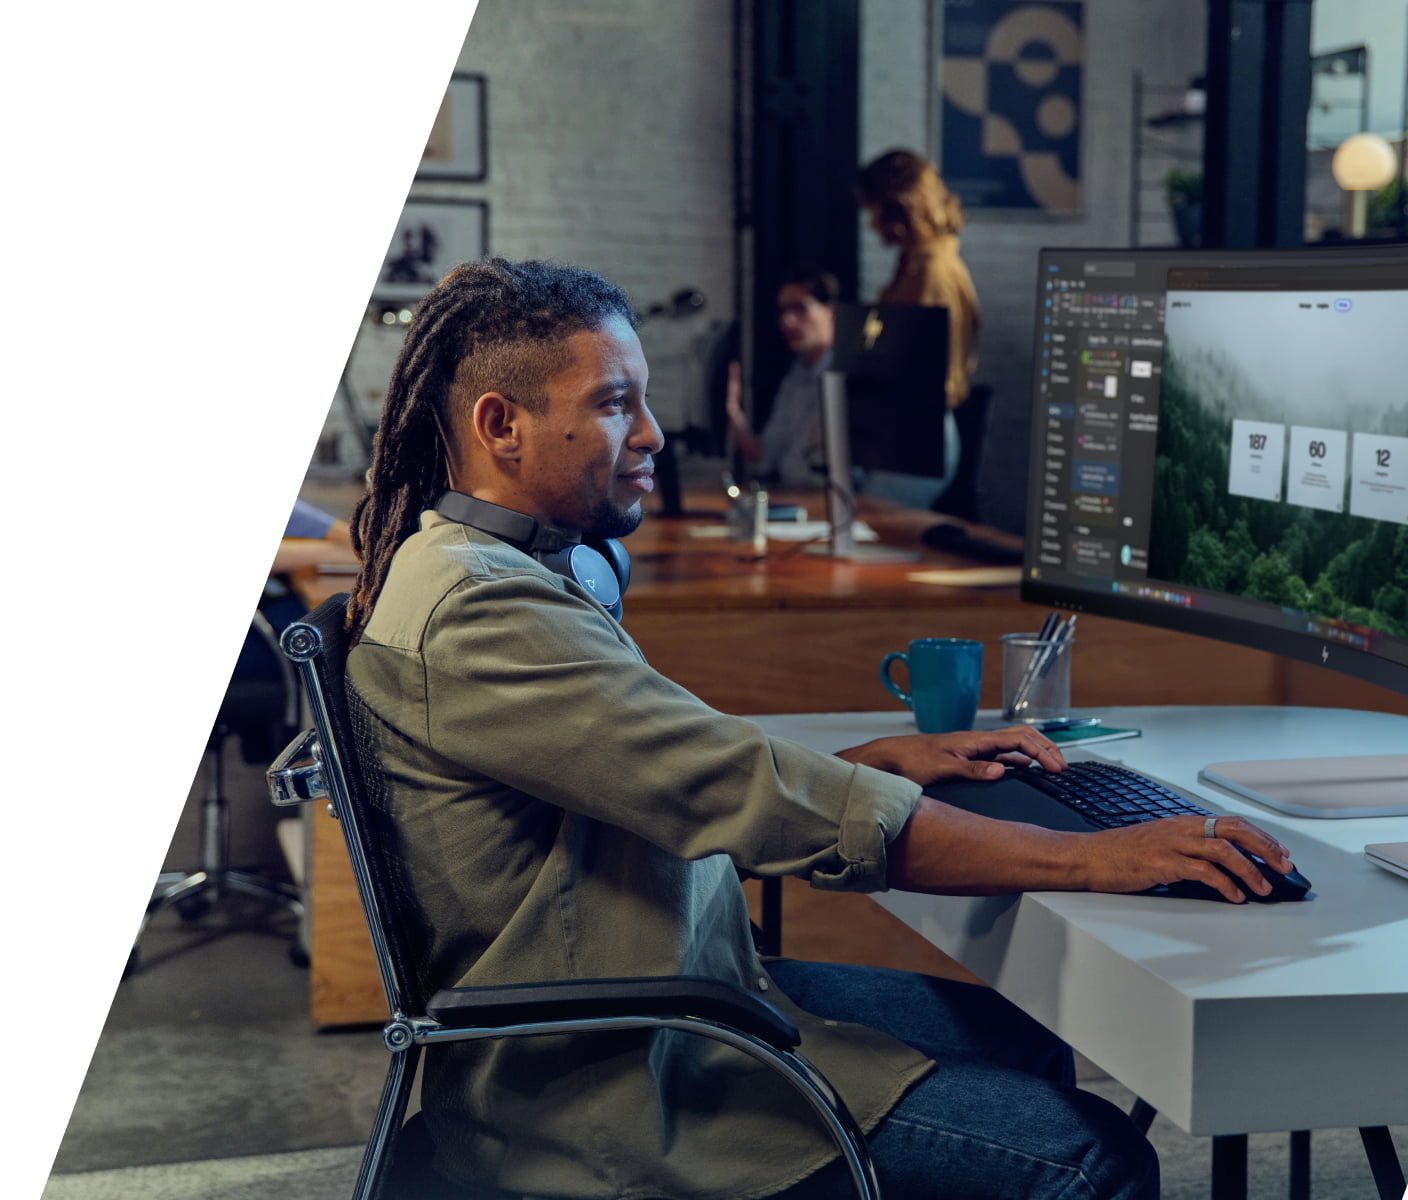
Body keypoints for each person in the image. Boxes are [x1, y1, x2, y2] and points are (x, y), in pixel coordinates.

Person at [342, 257, 1298, 1200]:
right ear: (500, 426)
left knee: (1030, 1039)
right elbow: (733, 789)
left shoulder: (490, 573)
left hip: (659, 991)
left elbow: (660, 774)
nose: (652, 433)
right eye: (612, 404)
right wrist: (1094, 856)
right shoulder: (481, 613)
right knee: (1089, 1159)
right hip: (610, 1079)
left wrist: (869, 764)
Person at [857, 149, 979, 509]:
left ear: (898, 206)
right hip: (901, 425)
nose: (872, 225)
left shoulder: (934, 274)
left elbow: (937, 373)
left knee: (877, 528)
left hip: (918, 430)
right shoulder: (912, 266)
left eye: (874, 211)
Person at [725, 266, 838, 490]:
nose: (787, 321)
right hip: (794, 496)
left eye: (800, 309)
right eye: (783, 311)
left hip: (834, 500)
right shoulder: (796, 375)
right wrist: (733, 413)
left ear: (829, 311)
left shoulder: (848, 375)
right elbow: (764, 456)